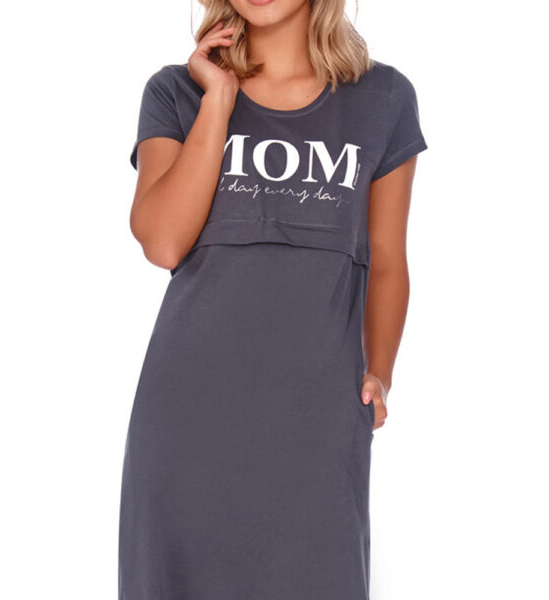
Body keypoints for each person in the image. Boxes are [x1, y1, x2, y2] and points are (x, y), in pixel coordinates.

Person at [119, 1, 428, 598]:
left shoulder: (384, 98)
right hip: (189, 416)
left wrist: (380, 374)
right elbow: (162, 241)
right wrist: (218, 100)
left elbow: (388, 259)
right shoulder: (176, 92)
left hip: (319, 417)